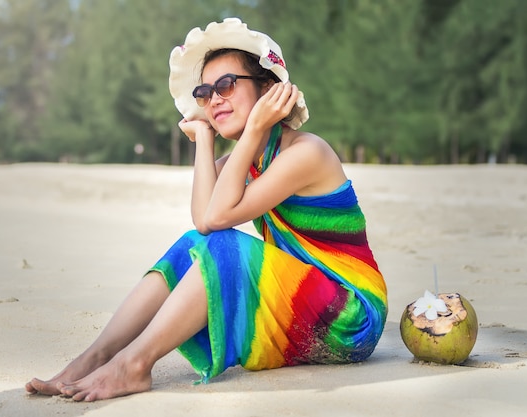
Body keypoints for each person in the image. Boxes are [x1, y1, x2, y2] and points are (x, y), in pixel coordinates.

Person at [25, 17, 388, 402]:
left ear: (268, 89)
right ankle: (95, 356)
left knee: (224, 245)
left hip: (350, 317)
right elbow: (202, 222)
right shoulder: (244, 161)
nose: (214, 99)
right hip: (303, 300)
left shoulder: (306, 152)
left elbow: (217, 222)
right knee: (194, 242)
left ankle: (133, 364)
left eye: (227, 85)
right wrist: (204, 138)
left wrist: (248, 133)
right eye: (204, 92)